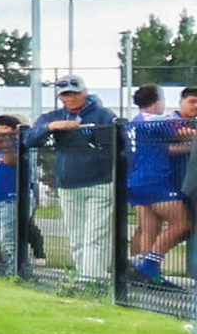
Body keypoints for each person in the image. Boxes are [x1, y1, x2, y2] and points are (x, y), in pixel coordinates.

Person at [31, 80, 119, 284]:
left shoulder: (104, 115)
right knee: (77, 237)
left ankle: (92, 281)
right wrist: (50, 127)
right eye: (65, 94)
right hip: (68, 185)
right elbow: (29, 139)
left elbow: (118, 143)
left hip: (100, 183)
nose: (70, 98)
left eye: (75, 93)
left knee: (96, 236)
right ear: (59, 96)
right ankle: (83, 279)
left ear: (84, 93)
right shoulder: (54, 116)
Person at [125, 88, 184, 284]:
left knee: (149, 227)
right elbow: (185, 133)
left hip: (134, 180)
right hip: (153, 180)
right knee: (183, 223)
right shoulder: (156, 120)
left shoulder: (135, 122)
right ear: (157, 101)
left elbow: (161, 149)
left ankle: (142, 272)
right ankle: (150, 265)